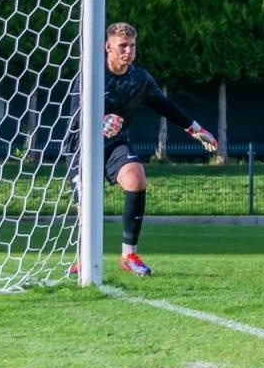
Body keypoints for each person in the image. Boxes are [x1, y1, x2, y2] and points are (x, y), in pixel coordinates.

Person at [71, 21, 217, 276]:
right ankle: (84, 259)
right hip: (82, 146)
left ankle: (128, 256)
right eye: (122, 46)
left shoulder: (140, 79)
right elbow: (74, 114)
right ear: (107, 46)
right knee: (86, 204)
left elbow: (164, 105)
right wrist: (98, 122)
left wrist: (196, 129)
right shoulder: (91, 74)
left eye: (132, 46)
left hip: (115, 144)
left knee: (136, 178)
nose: (128, 51)